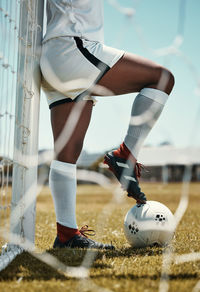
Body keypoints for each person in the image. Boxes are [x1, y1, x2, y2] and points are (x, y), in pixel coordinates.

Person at [40, 0, 175, 250]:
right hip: (74, 46)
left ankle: (67, 235)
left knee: (66, 155)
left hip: (51, 55)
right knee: (161, 79)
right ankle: (125, 155)